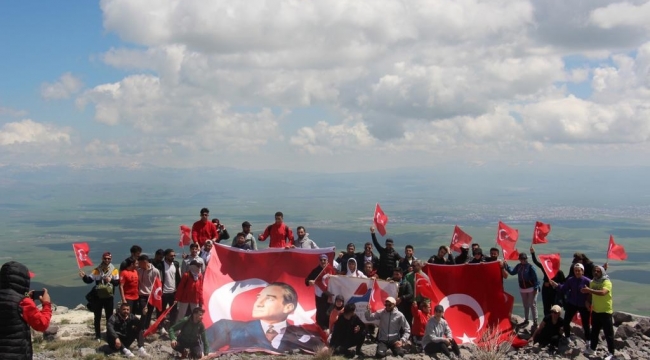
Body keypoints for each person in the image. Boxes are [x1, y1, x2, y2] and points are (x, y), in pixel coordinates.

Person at [206, 282, 325, 353]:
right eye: (258, 297)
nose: (258, 302)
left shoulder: (302, 336)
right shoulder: (227, 327)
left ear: (288, 307)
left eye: (269, 298)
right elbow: (199, 348)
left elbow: (323, 351)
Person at [0, 261, 52, 359]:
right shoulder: (24, 302)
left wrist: (26, 297)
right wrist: (46, 304)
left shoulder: (23, 301)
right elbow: (42, 324)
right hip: (16, 354)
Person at [79, 251, 120, 341]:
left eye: (108, 258)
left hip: (109, 297)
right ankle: (98, 335)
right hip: (98, 297)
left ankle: (109, 333)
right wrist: (84, 276)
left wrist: (111, 280)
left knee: (109, 317)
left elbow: (117, 283)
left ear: (111, 259)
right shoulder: (97, 270)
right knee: (97, 316)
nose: (107, 260)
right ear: (102, 259)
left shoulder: (114, 270)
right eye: (105, 258)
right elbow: (89, 280)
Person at [550, 263, 591, 346]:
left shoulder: (587, 281)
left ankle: (588, 341)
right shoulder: (571, 280)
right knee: (566, 321)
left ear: (582, 271)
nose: (577, 272)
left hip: (583, 305)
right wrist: (556, 285)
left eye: (579, 271)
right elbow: (564, 288)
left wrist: (589, 302)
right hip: (572, 303)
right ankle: (568, 337)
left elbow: (592, 293)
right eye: (575, 271)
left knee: (586, 324)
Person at [582, 266, 615, 360]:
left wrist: (589, 290)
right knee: (594, 332)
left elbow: (603, 292)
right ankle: (592, 349)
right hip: (596, 311)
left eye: (598, 271)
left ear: (602, 272)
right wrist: (587, 302)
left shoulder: (606, 282)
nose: (596, 272)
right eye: (594, 271)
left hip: (606, 311)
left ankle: (611, 353)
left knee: (608, 333)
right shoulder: (592, 282)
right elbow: (590, 295)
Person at [504, 252, 540, 326]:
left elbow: (535, 278)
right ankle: (526, 319)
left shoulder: (530, 267)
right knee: (525, 305)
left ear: (526, 259)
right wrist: (506, 266)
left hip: (531, 288)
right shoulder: (519, 266)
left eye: (524, 258)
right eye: (521, 259)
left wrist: (536, 288)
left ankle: (535, 321)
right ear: (519, 259)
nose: (522, 260)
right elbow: (512, 272)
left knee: (532, 304)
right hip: (522, 289)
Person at [531, 246, 566, 316]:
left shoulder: (559, 272)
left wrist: (555, 285)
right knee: (546, 307)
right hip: (546, 291)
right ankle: (547, 322)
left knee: (555, 308)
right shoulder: (546, 269)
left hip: (555, 292)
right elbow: (536, 262)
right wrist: (533, 253)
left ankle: (556, 323)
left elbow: (563, 284)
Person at [155, 249, 181, 334]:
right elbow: (157, 279)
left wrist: (178, 290)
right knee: (161, 310)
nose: (173, 257)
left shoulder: (176, 264)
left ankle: (172, 327)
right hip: (163, 293)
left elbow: (178, 278)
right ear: (166, 256)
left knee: (174, 311)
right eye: (171, 256)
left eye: (174, 256)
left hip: (173, 292)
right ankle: (161, 327)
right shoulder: (161, 265)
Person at [305, 254, 332, 330]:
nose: (323, 261)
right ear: (319, 261)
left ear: (327, 261)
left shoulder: (331, 269)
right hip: (319, 295)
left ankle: (328, 327)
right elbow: (306, 281)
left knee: (328, 311)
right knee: (320, 312)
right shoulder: (315, 270)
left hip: (329, 295)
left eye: (324, 260)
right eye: (321, 260)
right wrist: (309, 282)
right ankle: (320, 327)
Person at [175, 261, 204, 325]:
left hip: (195, 298)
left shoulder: (200, 276)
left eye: (199, 266)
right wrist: (177, 298)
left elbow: (201, 288)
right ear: (193, 267)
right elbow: (180, 287)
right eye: (197, 266)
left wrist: (201, 300)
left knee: (197, 315)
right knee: (181, 314)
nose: (199, 268)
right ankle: (177, 330)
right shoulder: (186, 275)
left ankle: (196, 329)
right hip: (185, 298)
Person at [136, 255, 160, 330]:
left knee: (149, 313)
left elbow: (158, 283)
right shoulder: (139, 271)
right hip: (142, 295)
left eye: (139, 262)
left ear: (144, 262)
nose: (138, 264)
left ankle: (146, 328)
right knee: (144, 312)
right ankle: (141, 328)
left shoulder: (155, 271)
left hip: (151, 295)